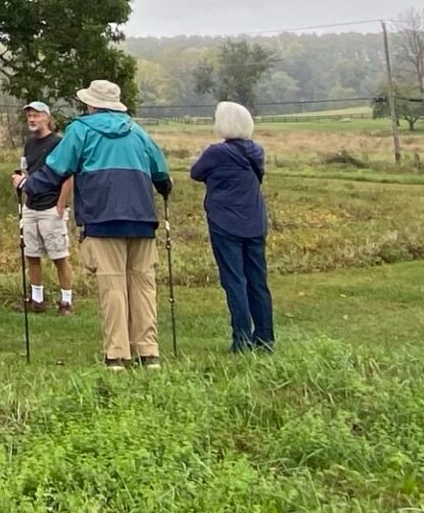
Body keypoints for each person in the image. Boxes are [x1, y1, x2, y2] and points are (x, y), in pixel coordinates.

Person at [15, 80, 171, 371]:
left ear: (91, 104)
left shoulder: (81, 130)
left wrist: (28, 183)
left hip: (103, 217)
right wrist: (163, 187)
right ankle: (148, 353)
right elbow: (161, 172)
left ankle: (117, 355)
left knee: (112, 286)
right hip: (142, 217)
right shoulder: (137, 131)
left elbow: (57, 168)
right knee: (143, 284)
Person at [190, 101, 275, 352]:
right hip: (255, 221)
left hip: (225, 223)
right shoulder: (256, 151)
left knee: (234, 280)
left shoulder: (216, 153)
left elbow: (196, 173)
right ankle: (265, 338)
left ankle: (242, 339)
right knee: (257, 281)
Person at [17, 101, 76, 316]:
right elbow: (26, 171)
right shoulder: (29, 144)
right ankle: (37, 299)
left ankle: (66, 301)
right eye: (30, 116)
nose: (32, 119)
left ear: (47, 118)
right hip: (31, 206)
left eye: (36, 115)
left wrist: (60, 205)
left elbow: (68, 175)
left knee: (59, 255)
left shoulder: (58, 143)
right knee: (31, 254)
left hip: (51, 206)